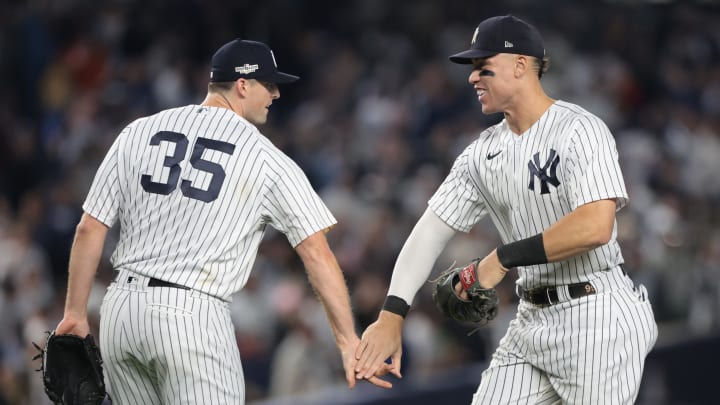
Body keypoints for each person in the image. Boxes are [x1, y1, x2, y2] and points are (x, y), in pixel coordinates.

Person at [53, 38, 390, 404]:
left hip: (121, 312)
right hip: (192, 315)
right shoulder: (263, 156)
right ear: (242, 85)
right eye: (269, 84)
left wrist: (74, 313)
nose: (276, 94)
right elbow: (316, 253)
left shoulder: (138, 131)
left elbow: (89, 227)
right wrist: (347, 341)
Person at [354, 15, 658, 404]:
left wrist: (501, 258)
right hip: (532, 319)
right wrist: (392, 315)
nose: (472, 78)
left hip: (598, 313)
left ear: (520, 66)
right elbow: (429, 232)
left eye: (484, 67)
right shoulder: (481, 154)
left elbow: (595, 226)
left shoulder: (579, 129)